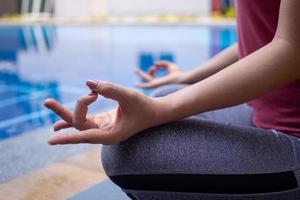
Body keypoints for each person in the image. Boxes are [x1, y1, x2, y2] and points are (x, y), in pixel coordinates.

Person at [44, 0, 300, 199]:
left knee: (127, 155)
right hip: (260, 114)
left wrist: (157, 111)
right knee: (166, 95)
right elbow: (266, 38)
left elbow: (291, 49)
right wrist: (188, 77)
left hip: (295, 134)